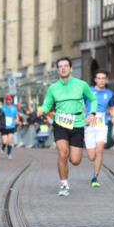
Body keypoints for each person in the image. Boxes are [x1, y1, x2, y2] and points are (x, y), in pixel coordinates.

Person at [38, 57, 97, 197]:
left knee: (75, 160)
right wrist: (43, 110)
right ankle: (64, 184)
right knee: (62, 154)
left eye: (65, 66)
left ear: (71, 68)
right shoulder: (53, 88)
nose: (63, 68)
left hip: (77, 123)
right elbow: (47, 104)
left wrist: (92, 113)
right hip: (60, 123)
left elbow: (93, 99)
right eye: (60, 66)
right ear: (58, 70)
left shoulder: (81, 85)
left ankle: (69, 159)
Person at [85, 70, 114, 187]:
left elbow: (111, 107)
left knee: (100, 149)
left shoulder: (109, 93)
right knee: (91, 156)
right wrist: (83, 118)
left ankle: (95, 177)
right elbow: (82, 105)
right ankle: (94, 165)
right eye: (99, 78)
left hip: (101, 124)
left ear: (106, 80)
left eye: (103, 78)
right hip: (89, 125)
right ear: (95, 80)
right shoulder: (88, 91)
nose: (101, 80)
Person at [1, 94, 21, 158]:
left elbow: (16, 116)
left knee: (10, 140)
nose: (8, 101)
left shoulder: (14, 108)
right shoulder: (2, 108)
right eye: (7, 100)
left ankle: (9, 154)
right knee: (5, 141)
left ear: (11, 100)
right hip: (4, 127)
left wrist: (17, 120)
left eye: (9, 100)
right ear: (6, 101)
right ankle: (3, 146)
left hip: (11, 126)